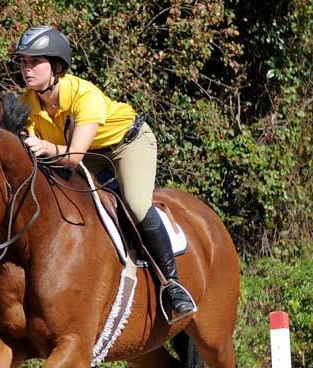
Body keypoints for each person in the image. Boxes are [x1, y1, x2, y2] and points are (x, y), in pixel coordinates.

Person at [13, 25, 196, 323]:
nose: (27, 68)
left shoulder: (85, 96)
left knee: (135, 203)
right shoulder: (27, 104)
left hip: (127, 144)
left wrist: (44, 145)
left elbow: (72, 159)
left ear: (57, 67)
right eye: (23, 62)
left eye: (35, 62)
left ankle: (172, 286)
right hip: (92, 153)